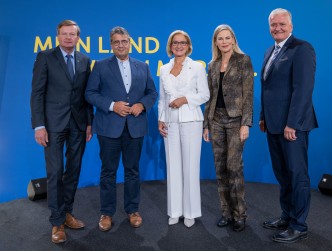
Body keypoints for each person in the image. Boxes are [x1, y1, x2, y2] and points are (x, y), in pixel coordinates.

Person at [85, 26, 157, 231]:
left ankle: (133, 210)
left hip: (135, 128)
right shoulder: (100, 66)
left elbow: (152, 93)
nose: (120, 45)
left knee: (132, 171)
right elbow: (90, 93)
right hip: (109, 127)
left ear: (130, 42)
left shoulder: (143, 66)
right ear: (111, 45)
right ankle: (106, 213)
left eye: (124, 41)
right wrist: (111, 105)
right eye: (116, 42)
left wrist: (142, 105)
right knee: (108, 171)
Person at [30, 20, 93, 244]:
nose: (68, 38)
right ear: (58, 36)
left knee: (73, 171)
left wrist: (89, 122)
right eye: (64, 34)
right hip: (52, 125)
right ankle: (56, 222)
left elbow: (86, 96)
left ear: (78, 37)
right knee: (55, 173)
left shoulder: (85, 60)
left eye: (72, 34)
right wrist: (39, 125)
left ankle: (67, 212)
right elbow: (37, 93)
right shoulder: (45, 57)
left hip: (78, 124)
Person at [260, 8, 318, 243]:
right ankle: (287, 215)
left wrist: (292, 123)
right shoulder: (269, 51)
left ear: (291, 26)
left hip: (293, 126)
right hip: (273, 125)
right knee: (283, 175)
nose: (278, 28)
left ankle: (299, 224)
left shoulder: (301, 49)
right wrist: (263, 116)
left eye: (282, 24)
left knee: (297, 175)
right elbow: (268, 89)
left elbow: (303, 89)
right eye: (274, 25)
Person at [203, 24, 254, 232]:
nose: (224, 42)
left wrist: (245, 123)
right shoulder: (212, 65)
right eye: (220, 39)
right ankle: (226, 212)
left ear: (233, 39)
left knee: (234, 167)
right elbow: (210, 97)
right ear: (215, 42)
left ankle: (239, 214)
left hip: (235, 121)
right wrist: (206, 124)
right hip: (216, 120)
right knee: (220, 168)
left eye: (227, 38)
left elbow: (248, 94)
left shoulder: (243, 61)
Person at [158, 30, 209, 228]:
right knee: (173, 167)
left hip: (191, 121)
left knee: (190, 167)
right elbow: (162, 98)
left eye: (183, 43)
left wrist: (185, 99)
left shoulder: (196, 67)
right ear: (170, 46)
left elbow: (204, 95)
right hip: (170, 121)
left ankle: (190, 212)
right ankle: (175, 211)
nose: (179, 46)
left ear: (188, 46)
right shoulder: (164, 68)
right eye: (175, 43)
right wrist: (161, 119)